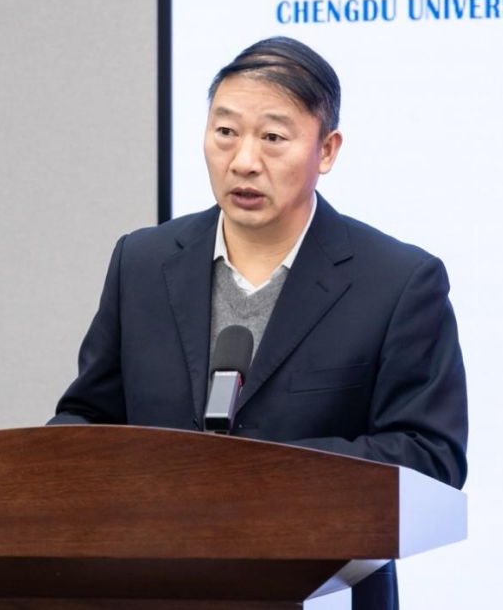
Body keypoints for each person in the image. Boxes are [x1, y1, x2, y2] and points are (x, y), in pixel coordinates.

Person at [48, 36, 468, 609]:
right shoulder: (142, 262)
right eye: (226, 132)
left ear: (326, 150)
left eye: (272, 137)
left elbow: (430, 457)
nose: (244, 160)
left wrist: (259, 474)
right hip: (149, 590)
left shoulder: (397, 281)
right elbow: (88, 418)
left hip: (322, 593)